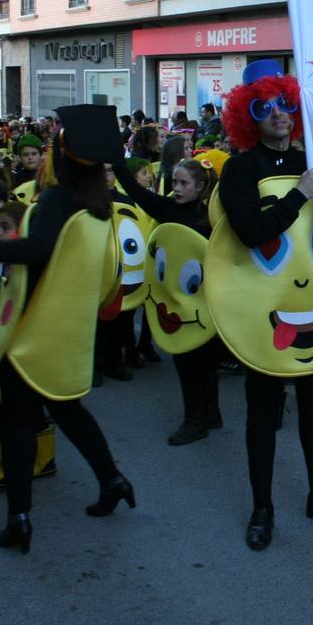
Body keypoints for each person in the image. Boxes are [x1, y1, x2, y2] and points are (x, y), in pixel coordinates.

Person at [0, 104, 134, 554]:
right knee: (69, 412)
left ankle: (19, 520)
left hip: (31, 333)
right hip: (70, 334)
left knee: (17, 425)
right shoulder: (101, 209)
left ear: (61, 156)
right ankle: (113, 480)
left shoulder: (56, 200)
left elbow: (35, 250)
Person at [217, 59, 313, 551]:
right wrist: (301, 196)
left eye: (285, 103)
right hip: (263, 310)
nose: (279, 114)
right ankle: (263, 508)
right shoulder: (240, 170)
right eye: (266, 107)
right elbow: (249, 233)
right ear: (248, 115)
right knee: (263, 414)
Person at [112, 155, 222, 444]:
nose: (177, 187)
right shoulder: (168, 208)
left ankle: (202, 417)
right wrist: (118, 163)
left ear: (200, 186)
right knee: (185, 358)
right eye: (174, 182)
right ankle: (201, 415)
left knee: (204, 361)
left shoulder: (212, 218)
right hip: (175, 301)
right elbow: (136, 192)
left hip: (205, 300)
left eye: (184, 183)